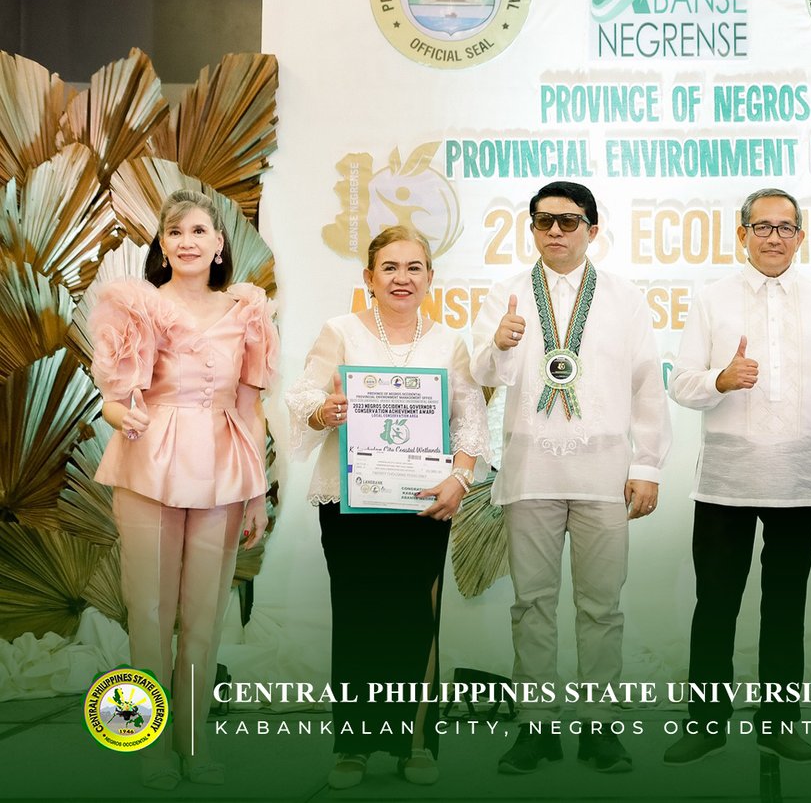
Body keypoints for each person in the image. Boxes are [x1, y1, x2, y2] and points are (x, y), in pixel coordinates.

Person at [473, 180, 669, 776]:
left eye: (568, 220)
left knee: (601, 606)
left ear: (592, 229)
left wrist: (647, 465)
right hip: (531, 470)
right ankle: (536, 727)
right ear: (532, 228)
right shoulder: (507, 293)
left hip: (604, 473)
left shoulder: (624, 297)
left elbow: (647, 384)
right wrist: (499, 344)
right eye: (543, 221)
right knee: (531, 603)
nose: (555, 231)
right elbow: (482, 373)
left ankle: (598, 726)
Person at [661, 188, 811, 767]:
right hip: (725, 483)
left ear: (801, 237)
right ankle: (705, 723)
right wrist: (720, 380)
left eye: (786, 228)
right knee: (715, 606)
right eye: (763, 227)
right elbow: (680, 383)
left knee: (785, 608)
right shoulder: (712, 299)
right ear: (742, 234)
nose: (775, 237)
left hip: (800, 482)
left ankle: (778, 722)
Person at [285, 226, 487, 789]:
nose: (403, 278)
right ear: (369, 277)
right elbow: (302, 395)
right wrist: (326, 410)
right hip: (350, 501)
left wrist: (460, 477)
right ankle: (352, 745)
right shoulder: (341, 331)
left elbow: (470, 418)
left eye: (414, 267)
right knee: (357, 616)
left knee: (417, 620)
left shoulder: (449, 342)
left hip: (423, 504)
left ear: (430, 277)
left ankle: (415, 742)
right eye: (390, 267)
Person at [89, 189, 275, 790]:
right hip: (149, 461)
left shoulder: (246, 310)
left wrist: (257, 493)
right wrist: (122, 415)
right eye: (175, 232)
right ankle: (149, 750)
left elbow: (250, 408)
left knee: (204, 617)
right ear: (162, 245)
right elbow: (112, 398)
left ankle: (194, 744)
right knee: (147, 612)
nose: (187, 242)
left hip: (223, 467)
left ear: (219, 243)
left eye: (198, 231)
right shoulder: (137, 306)